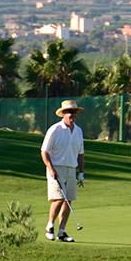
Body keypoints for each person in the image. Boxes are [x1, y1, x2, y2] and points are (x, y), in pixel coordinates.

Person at [41, 99, 85, 243]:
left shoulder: (78, 131)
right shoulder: (55, 129)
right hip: (56, 168)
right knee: (59, 198)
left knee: (68, 200)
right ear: (63, 114)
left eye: (74, 112)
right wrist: (51, 169)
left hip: (71, 168)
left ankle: (62, 231)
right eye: (70, 112)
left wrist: (81, 173)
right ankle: (50, 226)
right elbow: (44, 151)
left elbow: (80, 154)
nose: (72, 114)